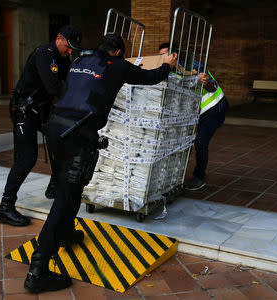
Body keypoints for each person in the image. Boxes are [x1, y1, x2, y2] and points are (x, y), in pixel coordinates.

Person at [23, 33, 178, 293]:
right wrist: (167, 66)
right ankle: (38, 268)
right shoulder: (117, 66)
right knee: (64, 197)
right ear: (118, 52)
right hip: (78, 135)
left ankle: (67, 233)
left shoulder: (80, 59)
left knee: (69, 188)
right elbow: (150, 78)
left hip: (55, 128)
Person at [0, 25, 82, 227]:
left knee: (63, 138)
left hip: (42, 109)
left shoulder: (62, 57)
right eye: (68, 46)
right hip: (24, 110)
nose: (70, 51)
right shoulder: (45, 53)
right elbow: (54, 87)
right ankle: (5, 207)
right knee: (27, 158)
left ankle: (54, 186)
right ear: (59, 38)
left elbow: (71, 80)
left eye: (72, 49)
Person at [159, 42, 229, 190]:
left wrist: (205, 82)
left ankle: (199, 177)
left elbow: (212, 86)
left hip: (214, 107)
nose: (161, 58)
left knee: (200, 142)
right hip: (194, 113)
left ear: (174, 55)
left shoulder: (194, 66)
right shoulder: (168, 70)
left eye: (163, 55)